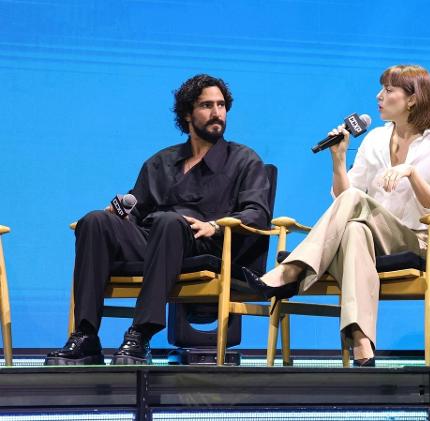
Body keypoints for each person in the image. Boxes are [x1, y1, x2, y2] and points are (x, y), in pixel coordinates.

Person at [45, 74, 271, 365]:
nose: (217, 113)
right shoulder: (161, 162)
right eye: (207, 106)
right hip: (155, 241)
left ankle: (140, 334)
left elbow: (257, 213)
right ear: (187, 114)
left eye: (221, 105)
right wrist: (115, 214)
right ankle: (86, 335)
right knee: (94, 221)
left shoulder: (243, 160)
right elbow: (134, 209)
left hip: (204, 244)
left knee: (169, 222)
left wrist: (215, 225)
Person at [245, 64, 430, 366]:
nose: (378, 96)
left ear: (412, 99)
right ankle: (361, 343)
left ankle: (289, 272)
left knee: (357, 208)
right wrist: (339, 160)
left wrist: (411, 173)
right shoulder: (375, 140)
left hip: (417, 241)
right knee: (355, 229)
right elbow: (345, 199)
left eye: (388, 90)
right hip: (373, 236)